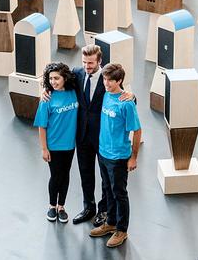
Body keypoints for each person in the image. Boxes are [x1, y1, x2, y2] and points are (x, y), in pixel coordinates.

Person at [42, 45, 134, 227]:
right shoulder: (77, 73)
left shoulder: (107, 79)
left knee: (105, 178)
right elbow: (57, 80)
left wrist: (132, 95)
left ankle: (103, 211)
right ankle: (88, 207)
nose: (87, 66)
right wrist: (45, 91)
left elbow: (121, 94)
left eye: (91, 63)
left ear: (100, 61)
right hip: (81, 136)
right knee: (85, 174)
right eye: (84, 62)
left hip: (102, 136)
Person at [89, 63, 141, 248]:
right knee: (108, 190)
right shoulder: (104, 94)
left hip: (119, 156)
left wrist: (133, 157)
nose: (106, 83)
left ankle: (122, 230)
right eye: (104, 79)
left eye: (110, 80)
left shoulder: (126, 103)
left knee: (120, 194)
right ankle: (110, 223)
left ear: (120, 81)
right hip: (103, 153)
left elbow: (137, 130)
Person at [33, 62, 78, 223]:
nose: (53, 82)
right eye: (50, 78)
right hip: (54, 146)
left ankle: (61, 206)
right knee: (55, 176)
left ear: (65, 78)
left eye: (57, 78)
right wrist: (44, 149)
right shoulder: (47, 99)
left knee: (65, 175)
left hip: (70, 145)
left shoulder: (74, 92)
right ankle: (52, 206)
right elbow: (42, 126)